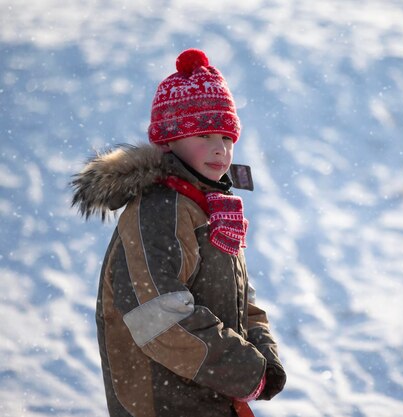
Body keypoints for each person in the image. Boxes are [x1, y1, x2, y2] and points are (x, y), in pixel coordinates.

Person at [71, 48, 286, 417]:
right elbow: (160, 317)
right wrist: (246, 370)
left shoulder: (209, 207)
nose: (221, 151)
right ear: (170, 139)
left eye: (228, 138)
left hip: (209, 401)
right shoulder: (160, 211)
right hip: (164, 404)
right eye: (204, 134)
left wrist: (264, 356)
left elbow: (240, 298)